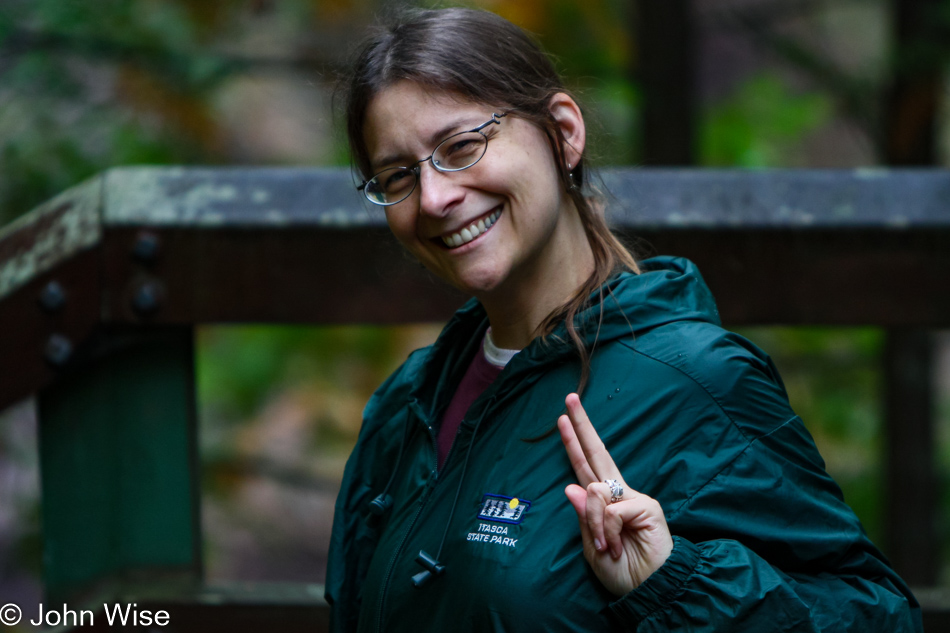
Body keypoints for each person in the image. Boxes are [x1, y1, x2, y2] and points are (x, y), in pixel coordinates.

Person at [326, 7, 922, 632]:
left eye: (461, 146)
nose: (434, 198)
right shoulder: (407, 404)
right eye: (397, 175)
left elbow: (878, 618)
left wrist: (677, 583)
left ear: (562, 132)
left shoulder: (695, 381)